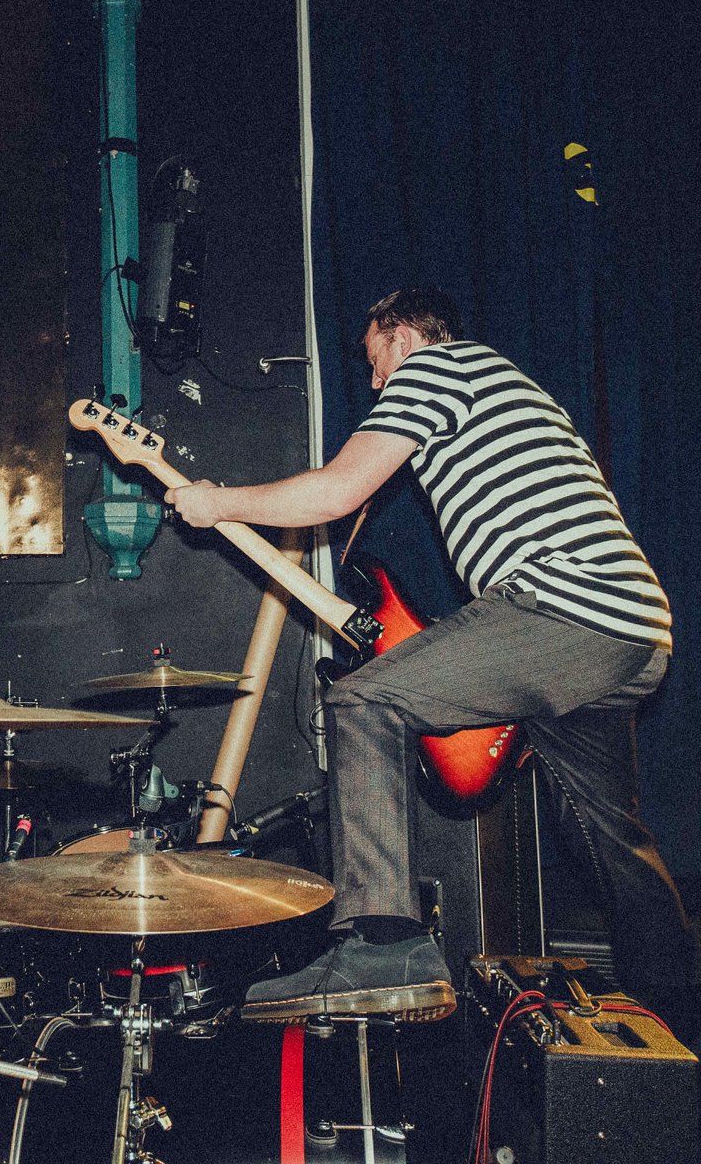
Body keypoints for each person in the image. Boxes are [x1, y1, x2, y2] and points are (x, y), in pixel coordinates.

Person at [165, 287, 695, 1030]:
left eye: (375, 357)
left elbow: (335, 493)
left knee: (360, 700)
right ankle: (674, 1014)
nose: (376, 380)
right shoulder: (507, 385)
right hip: (629, 630)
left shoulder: (437, 370)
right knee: (610, 839)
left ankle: (388, 946)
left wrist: (217, 503)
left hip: (567, 608)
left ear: (404, 334)